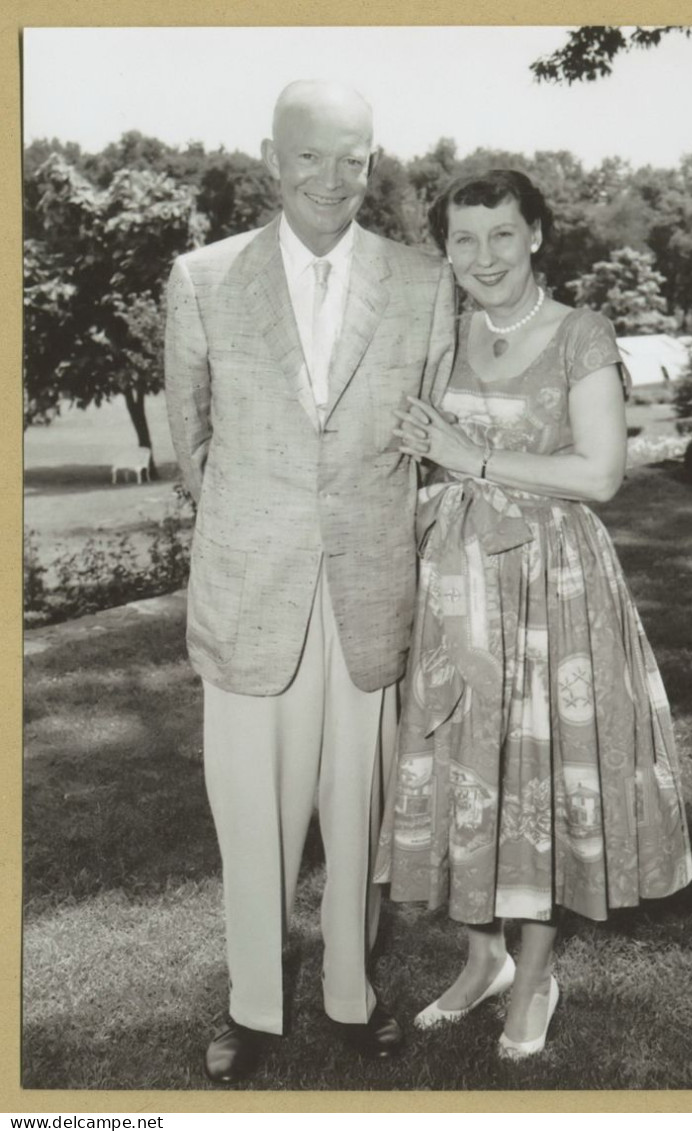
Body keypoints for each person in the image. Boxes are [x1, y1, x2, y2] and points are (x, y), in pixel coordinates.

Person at [164, 80, 454, 1083]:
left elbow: (435, 437)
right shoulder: (202, 278)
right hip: (253, 592)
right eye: (312, 157)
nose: (335, 180)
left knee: (358, 804)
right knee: (252, 812)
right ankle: (251, 1003)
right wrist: (261, 521)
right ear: (270, 157)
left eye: (355, 158)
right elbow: (190, 445)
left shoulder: (423, 280)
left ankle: (350, 993)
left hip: (371, 587)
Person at [375, 169, 692, 1060]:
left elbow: (600, 475)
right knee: (463, 764)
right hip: (457, 579)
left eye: (503, 235)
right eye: (465, 239)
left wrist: (471, 459)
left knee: (542, 773)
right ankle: (483, 960)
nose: (484, 256)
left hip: (553, 588)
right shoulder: (445, 330)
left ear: (538, 236)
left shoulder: (581, 333)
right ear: (447, 248)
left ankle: (538, 970)